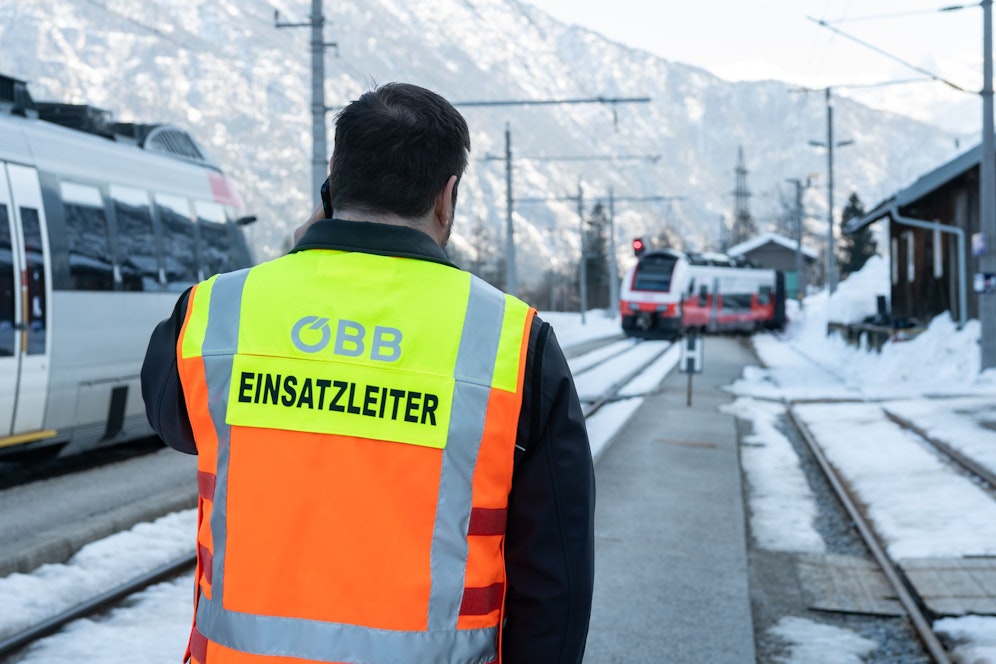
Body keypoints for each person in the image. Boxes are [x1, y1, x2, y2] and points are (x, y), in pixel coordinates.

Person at [141, 82, 594, 664]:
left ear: (332, 175)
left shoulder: (217, 312)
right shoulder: (511, 338)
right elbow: (555, 572)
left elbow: (174, 423)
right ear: (446, 196)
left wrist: (298, 261)